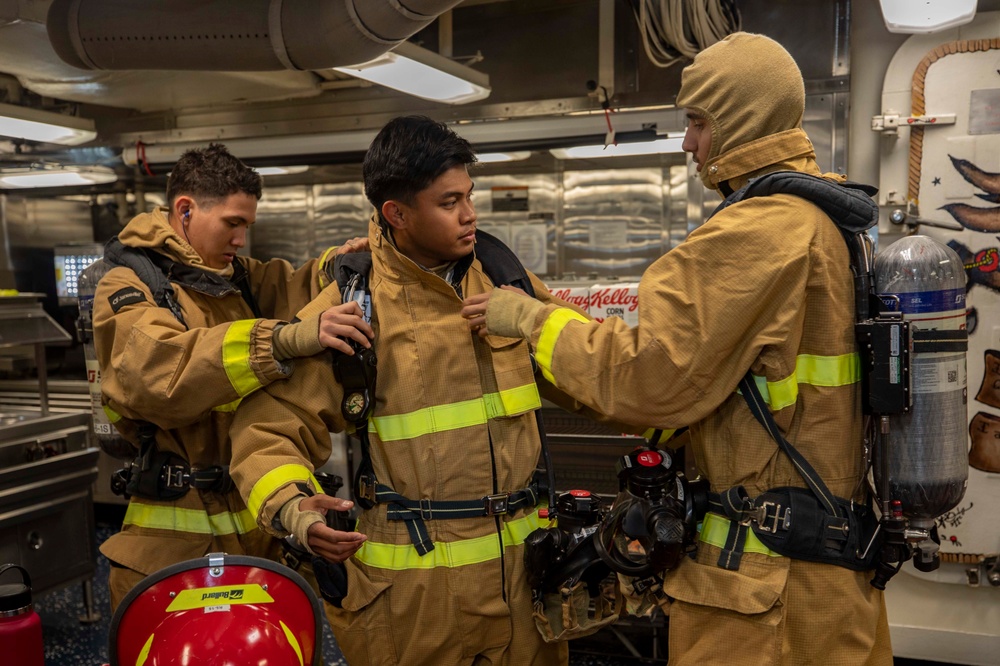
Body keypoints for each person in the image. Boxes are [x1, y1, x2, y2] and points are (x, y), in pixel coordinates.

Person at [461, 33, 892, 666]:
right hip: (824, 582)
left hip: (763, 599)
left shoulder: (758, 232)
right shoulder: (828, 222)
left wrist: (529, 320)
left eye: (697, 122)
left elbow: (650, 379)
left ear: (740, 122)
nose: (688, 142)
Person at [228, 115, 625, 666]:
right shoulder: (351, 308)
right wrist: (295, 510)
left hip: (523, 587)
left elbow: (598, 376)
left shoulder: (506, 279)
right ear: (398, 214)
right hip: (416, 603)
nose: (470, 215)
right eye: (448, 202)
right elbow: (265, 430)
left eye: (469, 195)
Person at [94, 142, 373, 610]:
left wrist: (338, 265)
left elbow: (294, 284)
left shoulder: (236, 277)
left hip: (260, 537)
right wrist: (280, 340)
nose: (241, 239)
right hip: (173, 547)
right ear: (185, 210)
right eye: (232, 223)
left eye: (247, 225)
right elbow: (157, 374)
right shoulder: (127, 285)